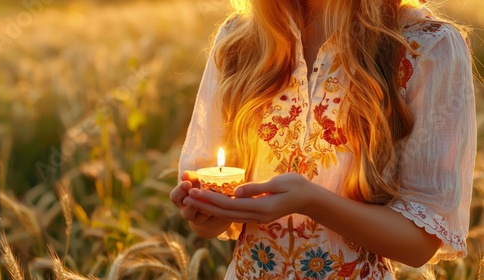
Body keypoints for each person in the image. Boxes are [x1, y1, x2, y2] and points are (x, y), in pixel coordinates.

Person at [170, 0, 476, 278]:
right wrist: (207, 213)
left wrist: (312, 201)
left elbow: (418, 245)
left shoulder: (423, 45)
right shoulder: (239, 39)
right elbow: (216, 205)